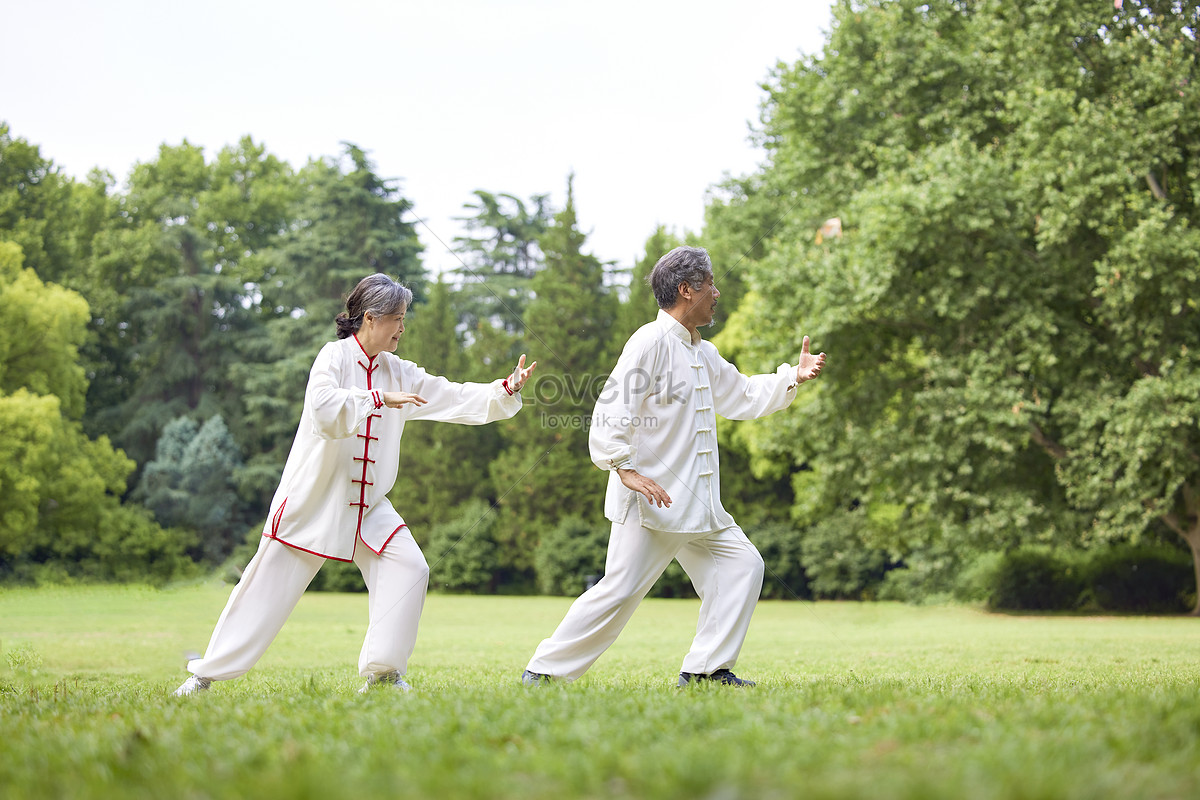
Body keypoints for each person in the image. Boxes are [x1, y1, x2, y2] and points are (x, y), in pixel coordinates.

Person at [173, 273, 536, 696]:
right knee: (265, 586)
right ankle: (204, 676)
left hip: (368, 505)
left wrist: (504, 389)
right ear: (370, 317)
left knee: (410, 568)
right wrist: (378, 399)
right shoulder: (333, 357)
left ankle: (383, 676)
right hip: (315, 500)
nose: (403, 327)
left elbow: (448, 395)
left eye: (404, 318)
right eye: (397, 318)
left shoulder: (397, 370)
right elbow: (324, 410)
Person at [522, 246, 825, 688]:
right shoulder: (650, 342)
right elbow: (612, 409)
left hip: (699, 506)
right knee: (619, 591)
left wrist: (790, 377)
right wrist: (623, 469)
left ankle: (705, 672)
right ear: (687, 289)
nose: (717, 293)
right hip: (653, 502)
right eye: (711, 285)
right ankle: (543, 672)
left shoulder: (703, 351)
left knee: (742, 566)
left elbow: (740, 395)